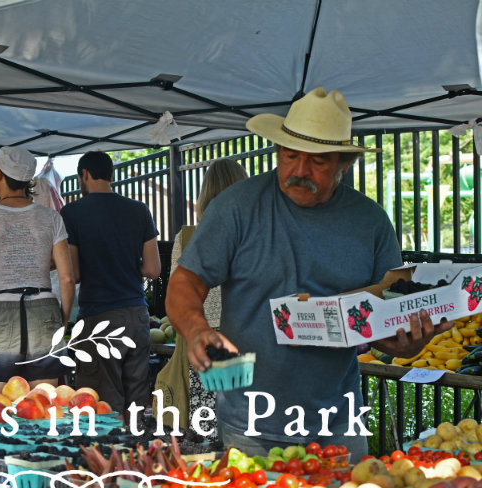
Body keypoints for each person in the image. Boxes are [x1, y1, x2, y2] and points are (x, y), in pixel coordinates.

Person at [166, 87, 452, 458]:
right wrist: (196, 328)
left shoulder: (371, 223)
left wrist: (407, 342)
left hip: (339, 426)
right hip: (251, 424)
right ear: (276, 151)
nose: (300, 171)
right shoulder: (236, 208)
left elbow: (384, 315)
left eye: (318, 161)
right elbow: (185, 281)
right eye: (290, 155)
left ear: (343, 164)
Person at [60, 151, 161, 420]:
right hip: (137, 316)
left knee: (103, 405)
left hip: (99, 318)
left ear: (84, 175)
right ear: (111, 175)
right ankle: (139, 457)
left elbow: (75, 274)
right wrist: (127, 267)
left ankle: (110, 460)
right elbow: (153, 269)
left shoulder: (72, 213)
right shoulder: (139, 210)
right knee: (138, 403)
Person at [0, 146, 74, 393]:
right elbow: (67, 278)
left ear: (0, 175)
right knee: (45, 403)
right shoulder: (51, 217)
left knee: (0, 403)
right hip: (44, 309)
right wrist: (63, 320)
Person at [154, 158, 248, 433]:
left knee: (205, 427)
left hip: (202, 341)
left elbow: (176, 293)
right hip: (245, 338)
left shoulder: (186, 238)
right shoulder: (253, 235)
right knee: (246, 426)